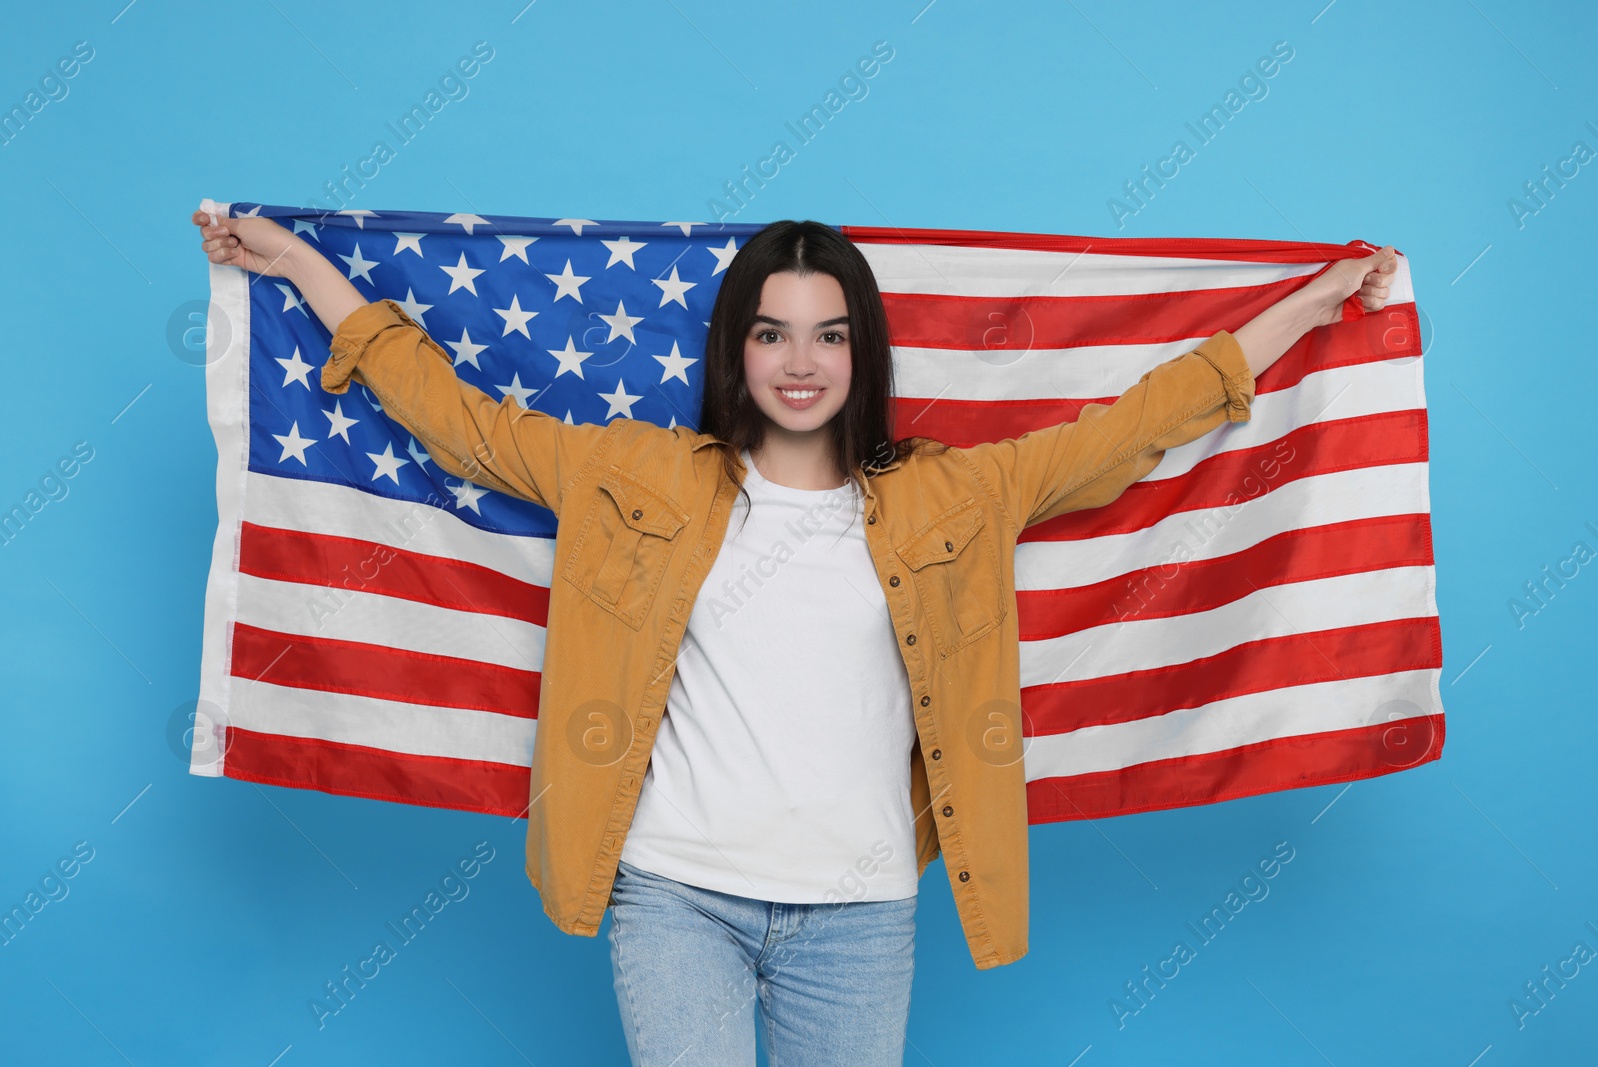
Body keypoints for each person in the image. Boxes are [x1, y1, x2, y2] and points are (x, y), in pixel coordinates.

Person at [192, 208, 1397, 1065]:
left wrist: (1310, 302)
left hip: (863, 908)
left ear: (863, 348)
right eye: (772, 332)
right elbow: (455, 420)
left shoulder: (954, 494)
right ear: (737, 348)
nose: (801, 361)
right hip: (675, 896)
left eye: (828, 333)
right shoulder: (633, 473)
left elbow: (1135, 428)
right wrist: (296, 262)